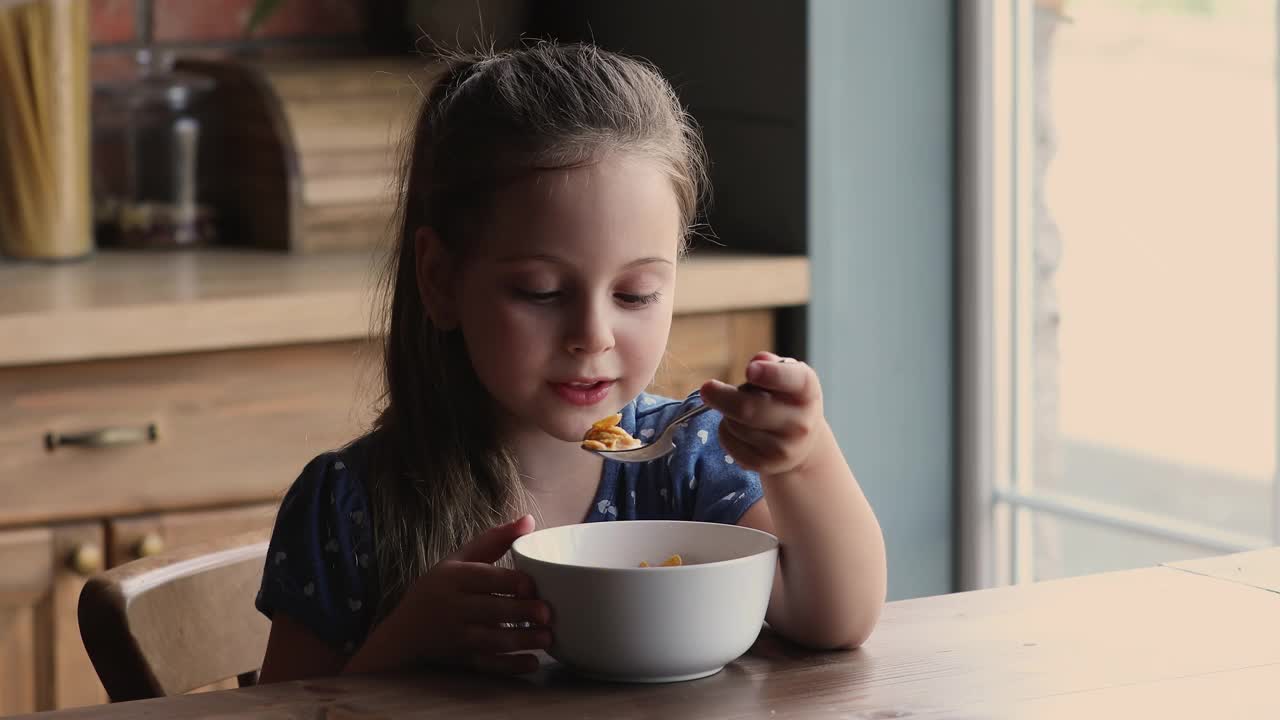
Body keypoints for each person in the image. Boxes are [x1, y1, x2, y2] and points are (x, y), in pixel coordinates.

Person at [256, 41, 886, 682]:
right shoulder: (350, 504)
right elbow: (285, 707)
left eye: (635, 294)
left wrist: (804, 461)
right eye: (541, 292)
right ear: (441, 279)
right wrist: (399, 649)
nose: (592, 335)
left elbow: (834, 619)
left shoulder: (688, 462)